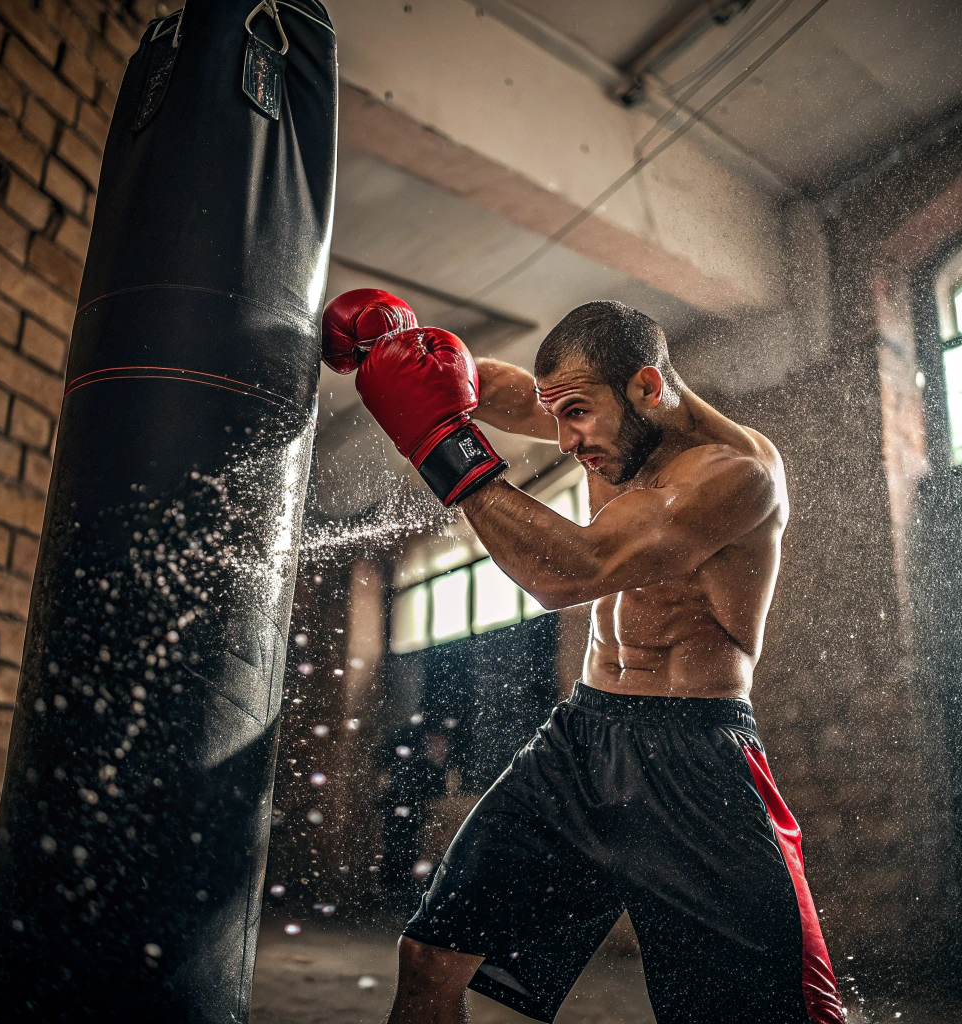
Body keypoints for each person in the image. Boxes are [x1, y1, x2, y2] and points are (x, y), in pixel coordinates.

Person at [320, 291, 844, 1024]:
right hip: (583, 735)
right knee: (430, 958)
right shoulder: (610, 426)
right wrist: (407, 347)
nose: (565, 440)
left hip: (692, 757)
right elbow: (501, 391)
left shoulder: (733, 476)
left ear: (648, 387)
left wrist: (442, 441)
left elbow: (571, 569)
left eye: (576, 415)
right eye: (557, 413)